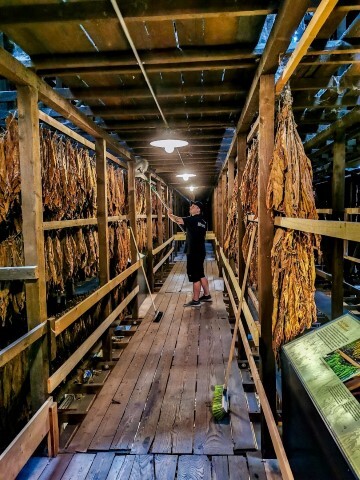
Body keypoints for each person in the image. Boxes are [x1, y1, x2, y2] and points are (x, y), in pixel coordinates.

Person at [168, 201, 212, 307]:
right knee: (200, 273)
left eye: (194, 206)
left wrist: (170, 214)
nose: (191, 207)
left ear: (198, 210)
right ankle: (207, 295)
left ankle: (196, 300)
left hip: (193, 252)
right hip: (200, 251)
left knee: (195, 276)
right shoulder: (203, 221)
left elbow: (177, 219)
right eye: (191, 206)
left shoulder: (192, 219)